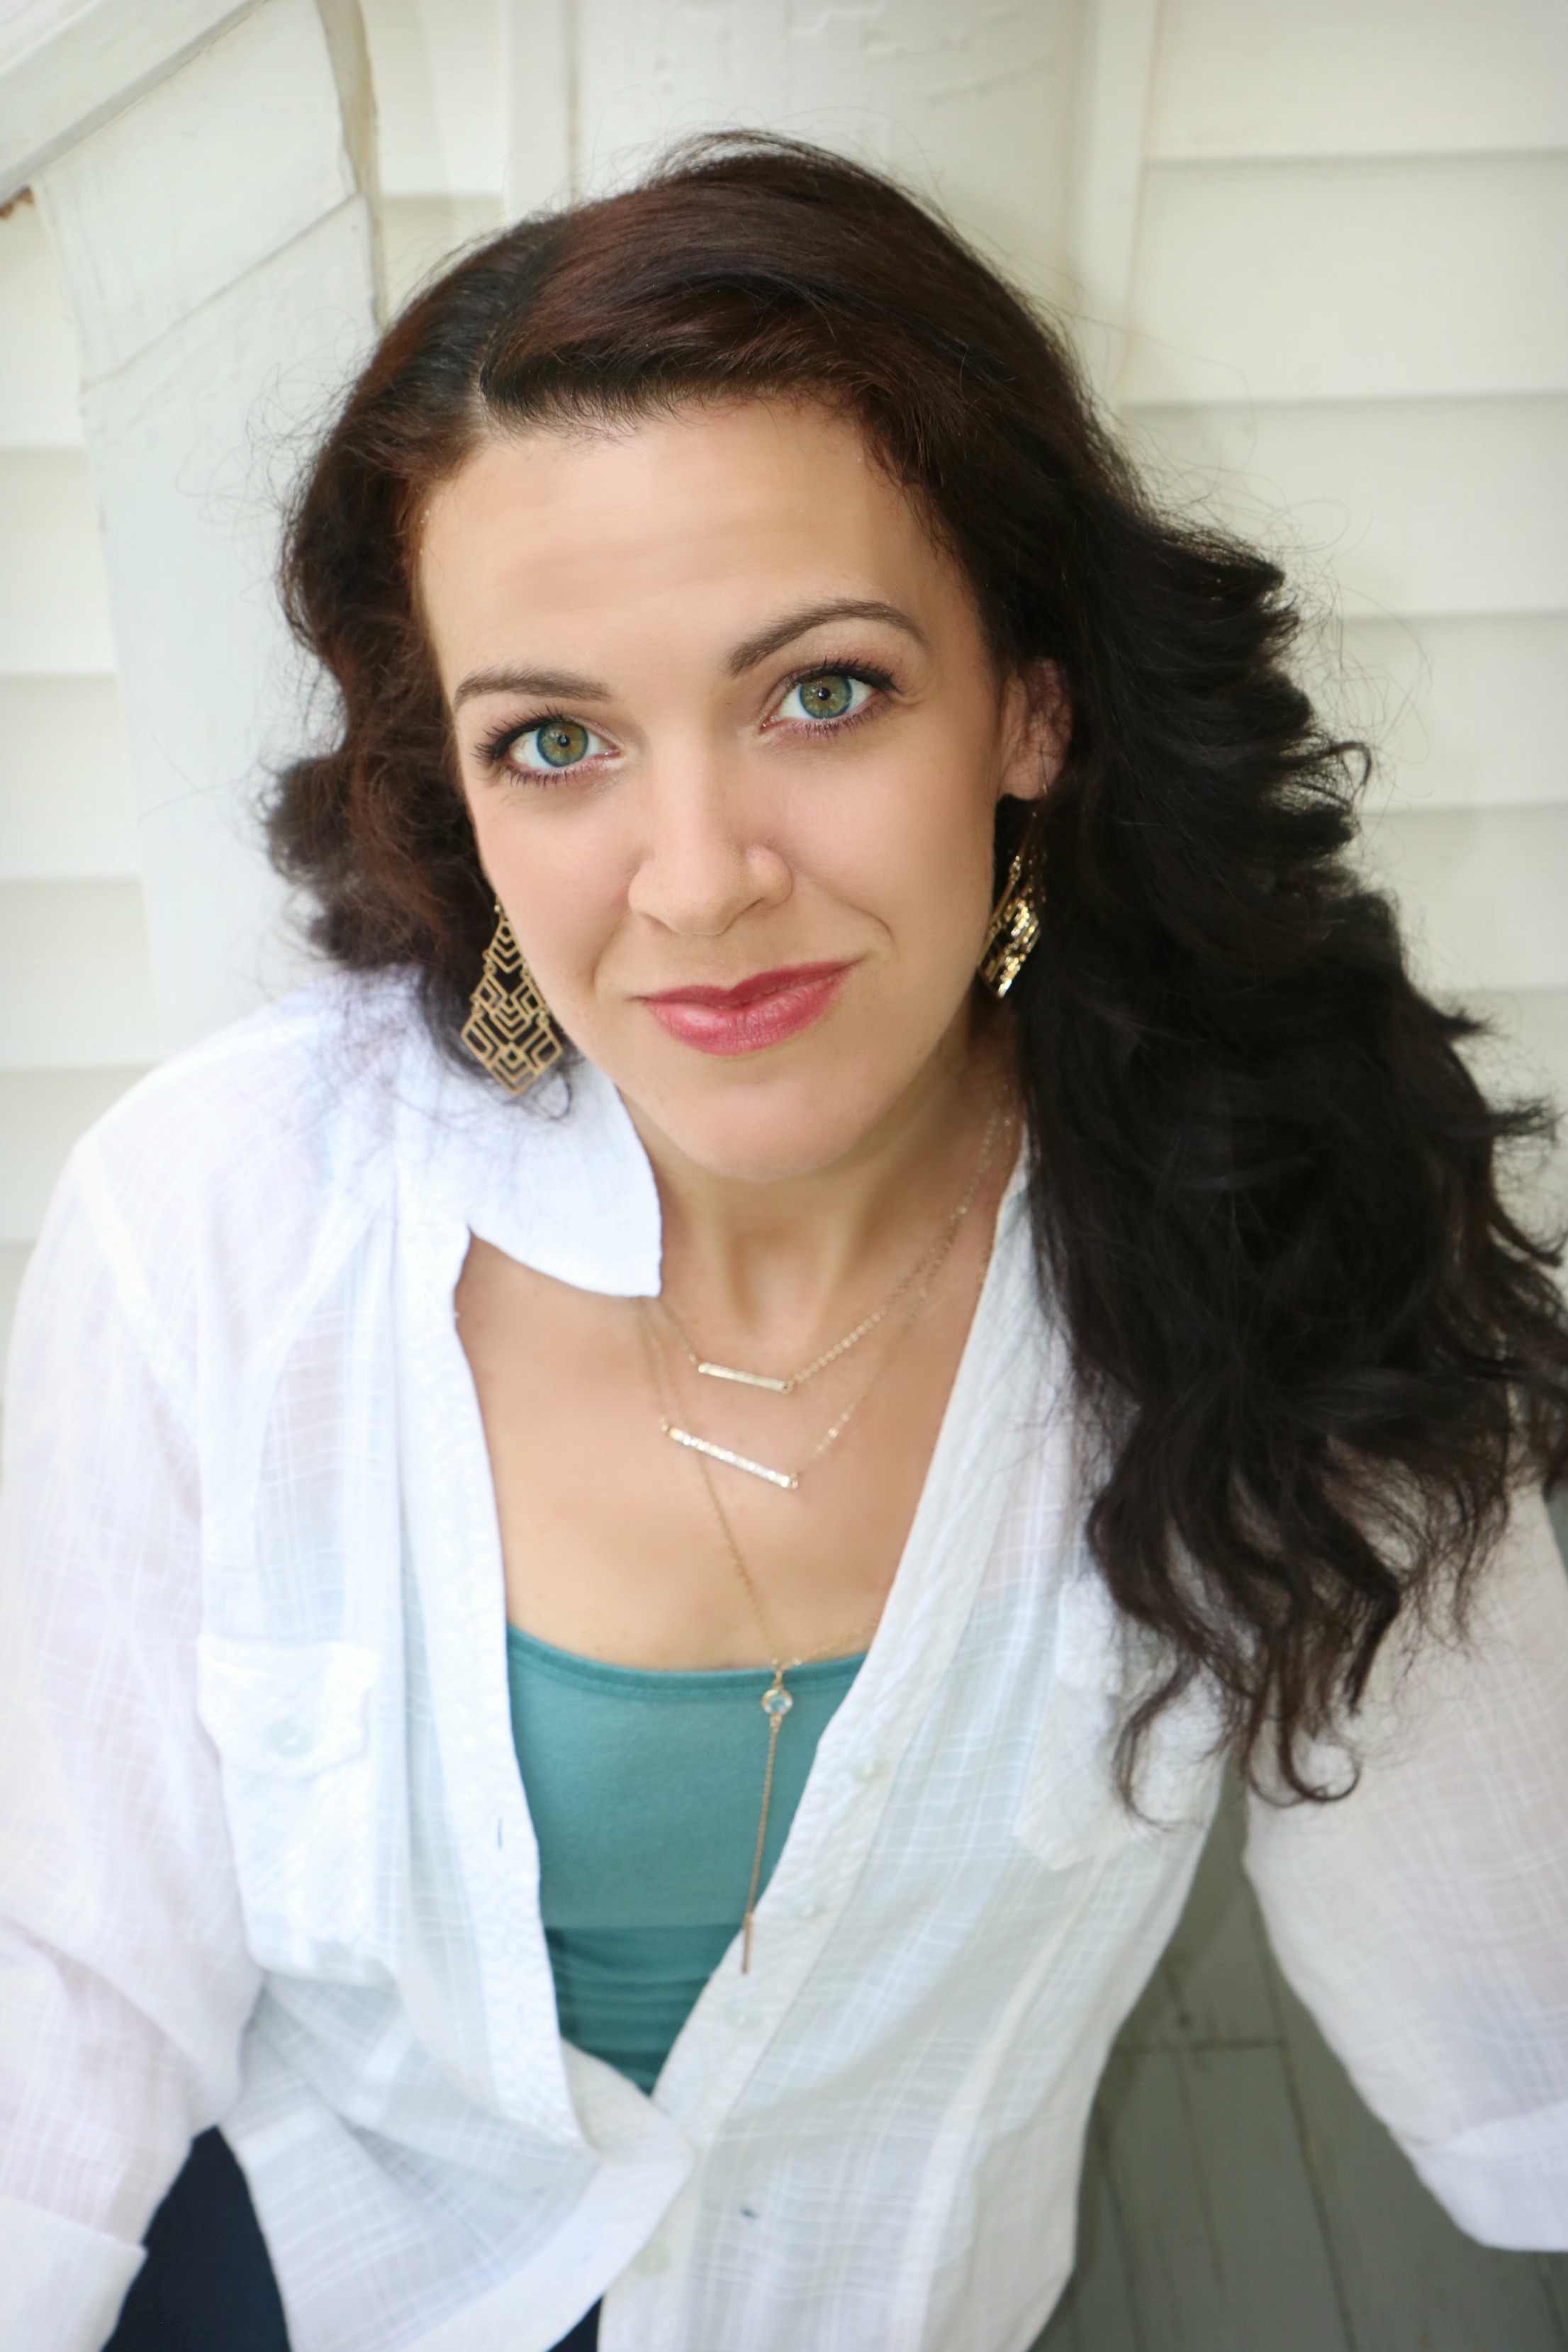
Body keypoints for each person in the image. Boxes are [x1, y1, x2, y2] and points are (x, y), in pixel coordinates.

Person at [3, 133, 1567, 2352]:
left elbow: (1515, 2003)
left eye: (821, 691)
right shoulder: (217, 1221)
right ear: (455, 788)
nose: (699, 877)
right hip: (318, 2264)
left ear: (1031, 701)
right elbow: (63, 1985)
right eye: (556, 740)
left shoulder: (1282, 1228)